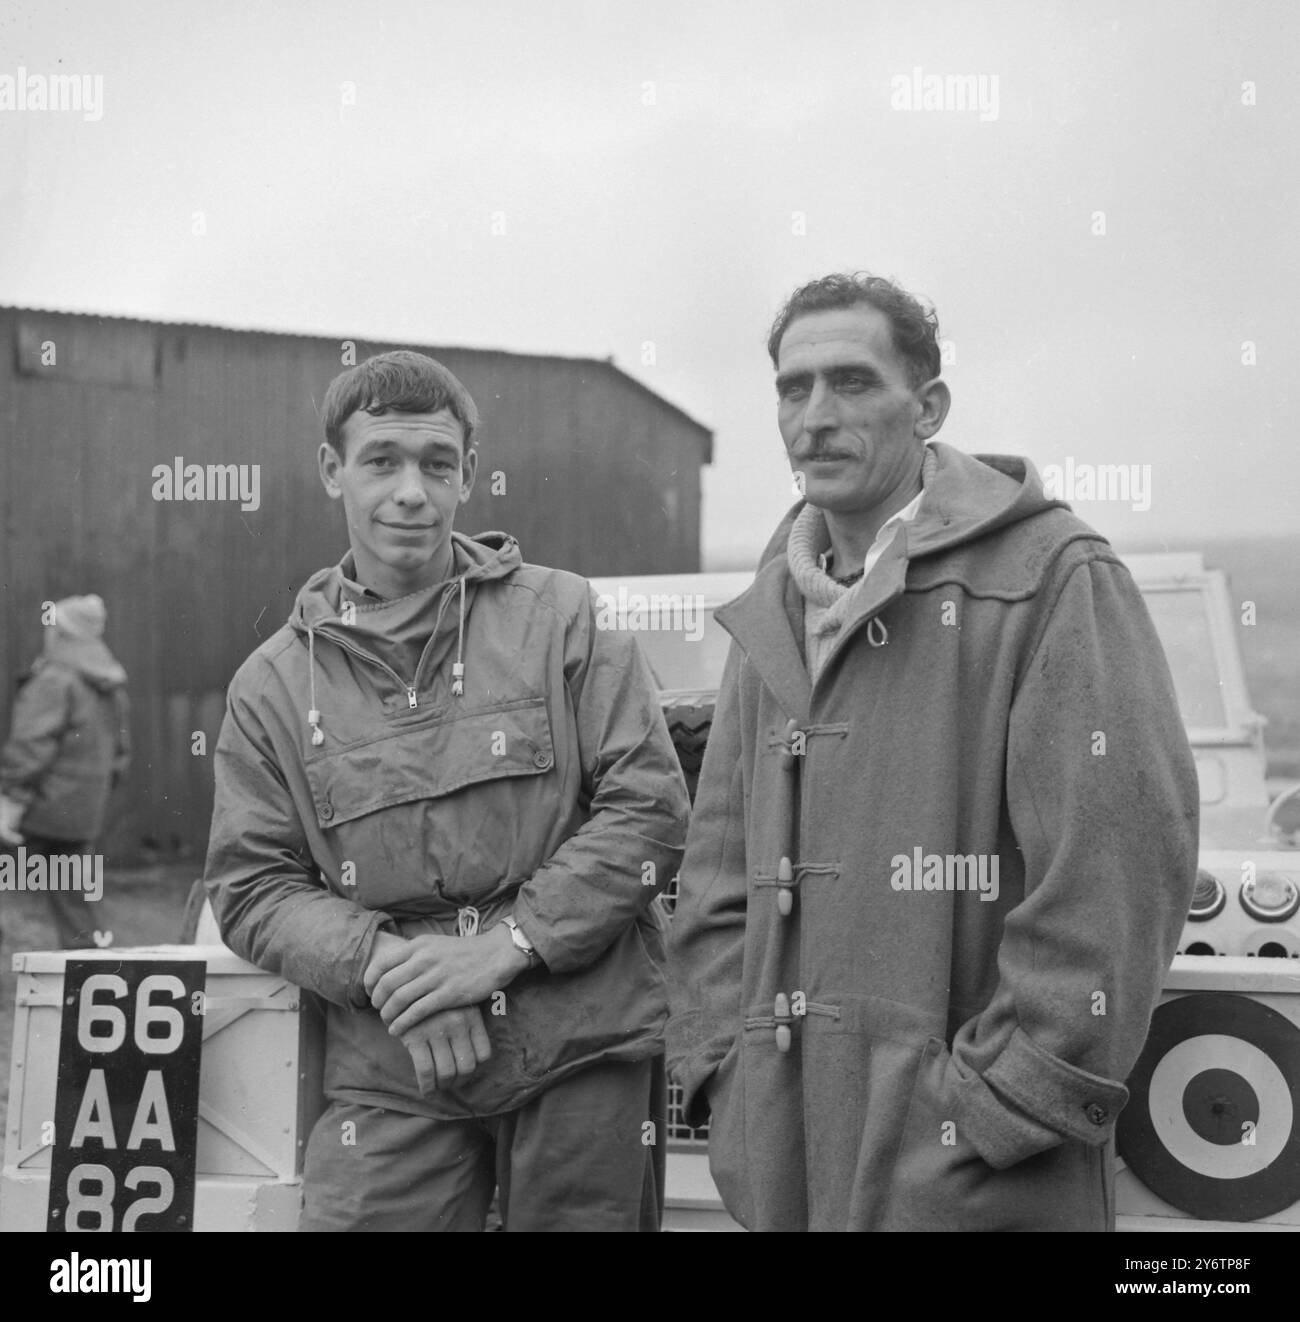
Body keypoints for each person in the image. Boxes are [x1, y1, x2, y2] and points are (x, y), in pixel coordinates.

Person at [666, 272, 1200, 1231]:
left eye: (853, 383)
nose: (816, 417)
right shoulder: (774, 602)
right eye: (794, 389)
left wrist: (991, 1114)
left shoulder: (1054, 579)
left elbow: (1112, 880)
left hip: (980, 1186)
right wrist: (722, 1077)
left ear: (929, 407)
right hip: (783, 1172)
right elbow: (716, 878)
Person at [204, 349, 688, 1231]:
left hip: (579, 1051)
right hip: (397, 1066)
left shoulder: (561, 618)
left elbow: (649, 809)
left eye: (436, 463)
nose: (410, 492)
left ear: (468, 473)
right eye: (380, 460)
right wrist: (388, 969)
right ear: (332, 472)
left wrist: (505, 948)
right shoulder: (273, 685)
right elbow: (249, 884)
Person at [0, 594, 130, 949]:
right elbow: (121, 756)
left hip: (37, 807)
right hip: (81, 813)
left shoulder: (55, 679)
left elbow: (31, 746)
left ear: (62, 633)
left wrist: (9, 796)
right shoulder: (111, 683)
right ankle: (94, 978)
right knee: (75, 901)